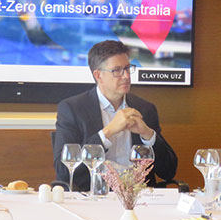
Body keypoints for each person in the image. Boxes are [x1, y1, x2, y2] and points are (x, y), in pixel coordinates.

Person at [53, 40, 178, 191]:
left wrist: (148, 135)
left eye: (127, 68)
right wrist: (107, 132)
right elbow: (63, 171)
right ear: (98, 75)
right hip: (94, 195)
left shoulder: (145, 109)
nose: (126, 76)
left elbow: (168, 171)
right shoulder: (72, 109)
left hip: (138, 197)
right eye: (117, 70)